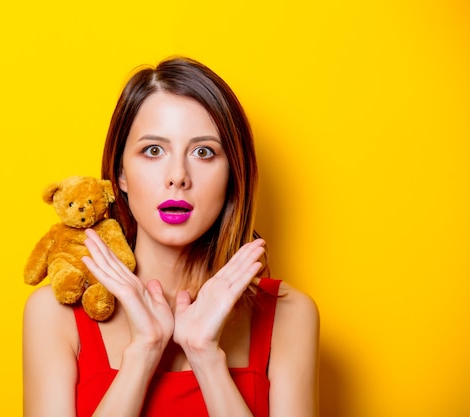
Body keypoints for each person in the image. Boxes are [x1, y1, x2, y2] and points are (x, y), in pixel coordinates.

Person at [23, 57, 319, 417]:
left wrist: (205, 355)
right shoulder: (55, 315)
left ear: (233, 176)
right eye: (153, 150)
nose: (178, 176)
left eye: (203, 152)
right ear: (120, 175)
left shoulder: (290, 316)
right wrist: (144, 352)